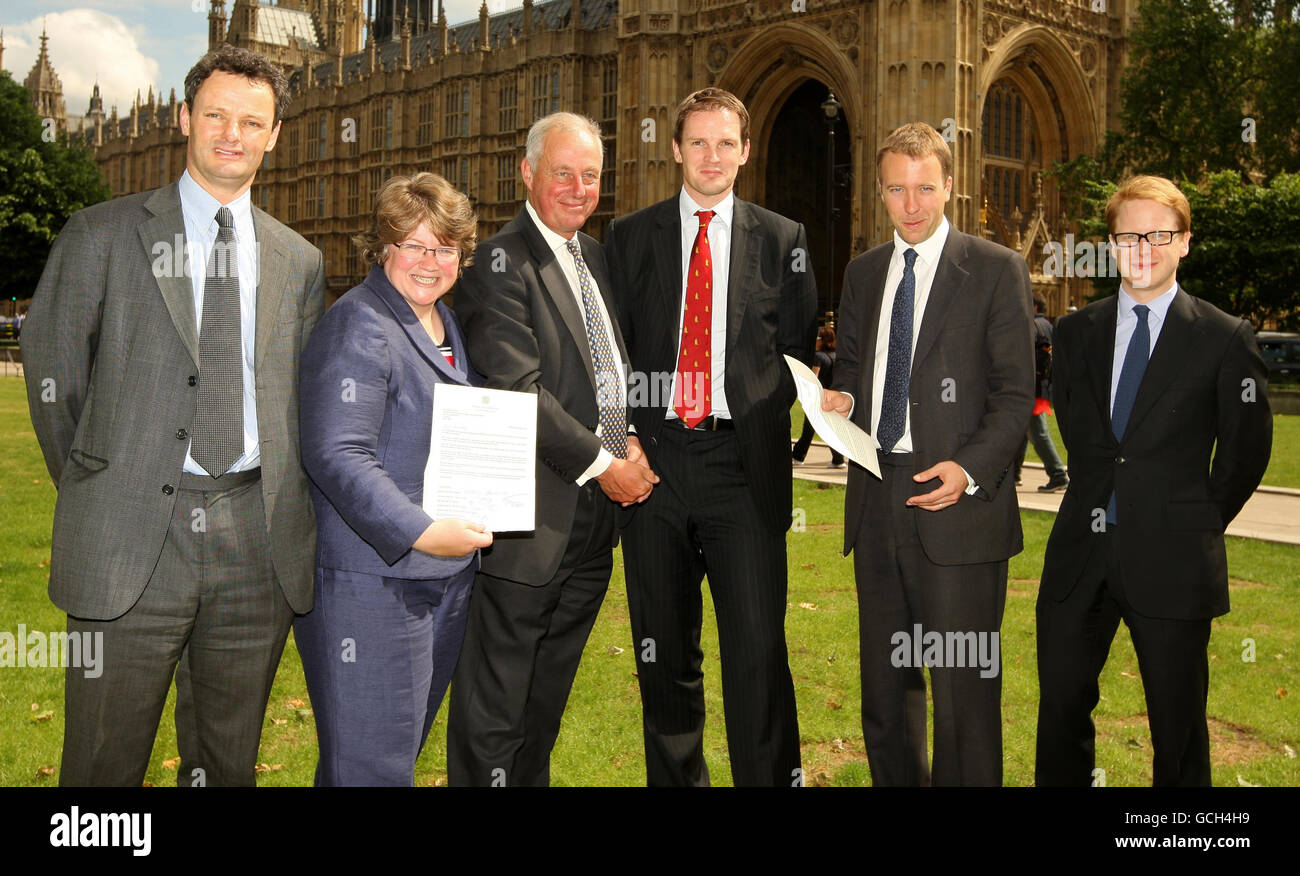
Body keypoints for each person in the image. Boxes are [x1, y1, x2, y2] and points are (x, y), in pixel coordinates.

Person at [21, 45, 324, 786]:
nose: (233, 134)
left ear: (275, 134)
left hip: (254, 541)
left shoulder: (299, 260)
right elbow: (54, 382)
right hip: (132, 538)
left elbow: (297, 402)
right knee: (101, 765)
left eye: (252, 121)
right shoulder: (101, 234)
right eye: (216, 115)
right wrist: (108, 484)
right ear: (184, 118)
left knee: (226, 764)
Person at [606, 87, 818, 786]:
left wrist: (760, 420)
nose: (712, 156)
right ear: (675, 149)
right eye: (697, 142)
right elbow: (613, 358)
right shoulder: (631, 237)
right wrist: (626, 441)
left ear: (746, 151)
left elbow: (793, 355)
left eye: (726, 142)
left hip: (742, 472)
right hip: (656, 468)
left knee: (758, 653)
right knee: (664, 657)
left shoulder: (783, 240)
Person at [1035, 175, 1272, 786]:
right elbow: (1081, 430)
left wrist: (1192, 518)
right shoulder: (1075, 332)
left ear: (1185, 242)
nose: (1145, 246)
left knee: (1178, 727)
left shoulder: (1224, 337)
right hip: (1079, 557)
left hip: (1173, 558)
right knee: (1061, 714)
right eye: (1130, 234)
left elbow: (1245, 453)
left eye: (1161, 234)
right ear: (1111, 244)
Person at [446, 112, 658, 786]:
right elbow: (518, 388)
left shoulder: (594, 256)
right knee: (494, 714)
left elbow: (605, 372)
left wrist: (627, 438)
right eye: (561, 172)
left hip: (592, 529)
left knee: (544, 708)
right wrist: (606, 466)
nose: (577, 187)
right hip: (526, 524)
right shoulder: (499, 258)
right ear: (528, 173)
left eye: (589, 175)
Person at [822, 122, 1034, 786]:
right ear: (879, 193)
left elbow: (1015, 394)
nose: (911, 204)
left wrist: (969, 469)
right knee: (886, 697)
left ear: (949, 187)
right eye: (896, 190)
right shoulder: (862, 274)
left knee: (963, 699)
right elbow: (857, 373)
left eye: (924, 188)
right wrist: (840, 402)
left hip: (959, 507)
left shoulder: (997, 269)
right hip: (878, 495)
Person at [295, 173, 492, 786]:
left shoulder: (443, 324)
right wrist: (421, 531)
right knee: (370, 768)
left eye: (445, 248)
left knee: (386, 759)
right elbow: (336, 452)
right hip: (372, 585)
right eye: (412, 244)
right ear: (381, 250)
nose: (429, 262)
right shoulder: (361, 322)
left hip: (439, 578)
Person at [1012, 296, 1068, 491]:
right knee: (1022, 432)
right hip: (1041, 385)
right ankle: (1014, 473)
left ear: (1033, 306)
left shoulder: (1032, 326)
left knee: (1039, 433)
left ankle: (1058, 474)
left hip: (1030, 387)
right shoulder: (1049, 325)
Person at [793, 324, 845, 468]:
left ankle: (798, 456)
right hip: (832, 397)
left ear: (821, 340)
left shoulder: (818, 356)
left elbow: (814, 377)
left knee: (809, 429)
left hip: (818, 398)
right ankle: (838, 459)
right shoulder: (836, 356)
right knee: (829, 429)